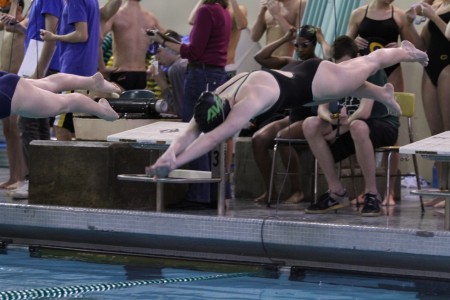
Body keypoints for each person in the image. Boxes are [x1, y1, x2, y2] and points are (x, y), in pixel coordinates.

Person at [145, 41, 428, 184]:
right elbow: (193, 129)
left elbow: (210, 139)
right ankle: (381, 93)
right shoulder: (219, 94)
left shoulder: (250, 103)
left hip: (316, 82)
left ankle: (404, 51)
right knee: (353, 79)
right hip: (298, 76)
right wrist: (170, 154)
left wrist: (175, 163)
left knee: (368, 62)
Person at [303, 36, 400, 217]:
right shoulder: (333, 73)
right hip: (347, 125)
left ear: (358, 57)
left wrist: (335, 134)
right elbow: (322, 110)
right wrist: (333, 120)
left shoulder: (371, 70)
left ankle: (372, 194)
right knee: (310, 125)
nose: (345, 71)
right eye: (340, 66)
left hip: (382, 123)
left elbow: (364, 112)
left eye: (349, 64)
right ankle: (336, 191)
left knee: (358, 126)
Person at [147, 0, 231, 208]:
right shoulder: (223, 11)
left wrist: (162, 41)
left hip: (200, 75)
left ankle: (198, 194)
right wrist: (163, 37)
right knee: (213, 135)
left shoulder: (206, 11)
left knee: (194, 133)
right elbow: (193, 25)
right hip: (216, 75)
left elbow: (193, 51)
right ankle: (215, 193)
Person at [347, 0, 414, 206]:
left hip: (391, 74)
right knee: (361, 128)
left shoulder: (399, 15)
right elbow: (342, 47)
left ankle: (389, 192)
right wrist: (354, 43)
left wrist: (400, 47)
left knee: (391, 133)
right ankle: (368, 190)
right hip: (365, 77)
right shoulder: (359, 13)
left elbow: (412, 49)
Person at [251, 25, 320, 204]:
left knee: (283, 138)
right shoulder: (290, 63)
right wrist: (283, 39)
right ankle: (271, 191)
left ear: (314, 45)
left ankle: (297, 191)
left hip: (311, 118)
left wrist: (323, 40)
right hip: (293, 117)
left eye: (304, 45)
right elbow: (260, 57)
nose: (299, 50)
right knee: (258, 139)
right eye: (296, 45)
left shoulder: (320, 65)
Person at [7, 0, 65, 200]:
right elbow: (36, 34)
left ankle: (32, 180)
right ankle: (42, 179)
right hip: (36, 60)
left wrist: (38, 74)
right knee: (39, 126)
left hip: (42, 64)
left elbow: (51, 38)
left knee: (29, 123)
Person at [406, 0, 450, 208]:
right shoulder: (439, 4)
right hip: (430, 68)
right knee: (437, 135)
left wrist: (433, 16)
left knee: (449, 133)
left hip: (448, 68)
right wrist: (409, 23)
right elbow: (422, 45)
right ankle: (442, 189)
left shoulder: (435, 10)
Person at [40, 0, 101, 141]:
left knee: (61, 127)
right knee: (76, 129)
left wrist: (53, 37)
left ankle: (65, 163)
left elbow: (81, 35)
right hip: (86, 70)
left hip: (73, 71)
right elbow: (98, 35)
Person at [0, 71, 120, 120]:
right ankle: (93, 82)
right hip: (6, 85)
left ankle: (104, 112)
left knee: (65, 103)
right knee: (48, 83)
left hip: (8, 95)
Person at [102, 0, 165, 90]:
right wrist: (154, 66)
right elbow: (166, 42)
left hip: (121, 73)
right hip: (141, 75)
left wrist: (102, 68)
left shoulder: (116, 14)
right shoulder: (150, 18)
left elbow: (98, 40)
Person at [0, 0, 25, 191]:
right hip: (5, 83)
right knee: (8, 130)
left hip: (18, 84)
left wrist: (15, 3)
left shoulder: (23, 23)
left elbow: (12, 27)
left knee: (15, 131)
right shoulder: (6, 23)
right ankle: (12, 176)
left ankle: (20, 177)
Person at [188, 0, 247, 79]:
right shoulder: (208, 10)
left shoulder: (237, 9)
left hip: (227, 65)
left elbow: (242, 25)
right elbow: (192, 21)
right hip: (209, 67)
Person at [147, 30, 187, 117]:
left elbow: (180, 111)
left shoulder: (177, 68)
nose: (156, 58)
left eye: (158, 51)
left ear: (170, 48)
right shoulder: (186, 62)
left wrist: (162, 84)